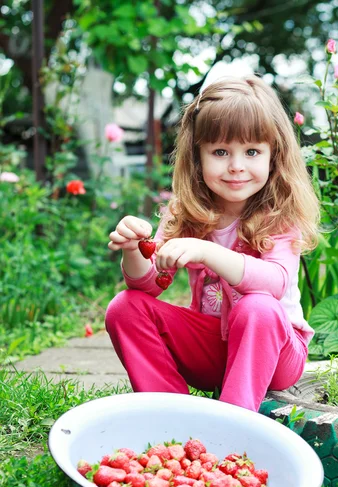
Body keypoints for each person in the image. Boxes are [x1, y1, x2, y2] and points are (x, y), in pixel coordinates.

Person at [105, 75, 319, 412]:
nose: (236, 167)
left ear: (273, 155)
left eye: (251, 151)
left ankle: (233, 423)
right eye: (220, 151)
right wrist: (134, 250)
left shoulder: (280, 213)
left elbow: (275, 282)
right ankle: (171, 415)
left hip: (275, 352)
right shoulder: (185, 211)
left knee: (257, 307)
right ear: (198, 155)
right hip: (211, 351)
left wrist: (208, 252)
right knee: (125, 307)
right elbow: (149, 285)